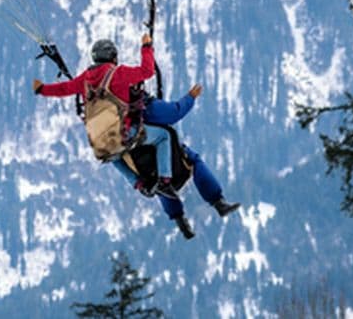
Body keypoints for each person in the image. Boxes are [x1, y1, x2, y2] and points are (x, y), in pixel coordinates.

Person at [33, 35, 176, 196]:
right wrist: (146, 47)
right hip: (126, 134)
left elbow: (63, 89)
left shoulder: (85, 79)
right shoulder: (118, 73)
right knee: (164, 136)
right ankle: (165, 180)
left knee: (111, 154)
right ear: (113, 57)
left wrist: (42, 89)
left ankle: (138, 183)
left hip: (100, 142)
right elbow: (147, 71)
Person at [119, 85, 241, 239]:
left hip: (140, 166)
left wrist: (135, 181)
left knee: (158, 182)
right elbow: (174, 113)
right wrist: (190, 98)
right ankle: (218, 202)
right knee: (193, 161)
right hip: (165, 155)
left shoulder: (110, 123)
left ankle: (180, 222)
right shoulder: (145, 108)